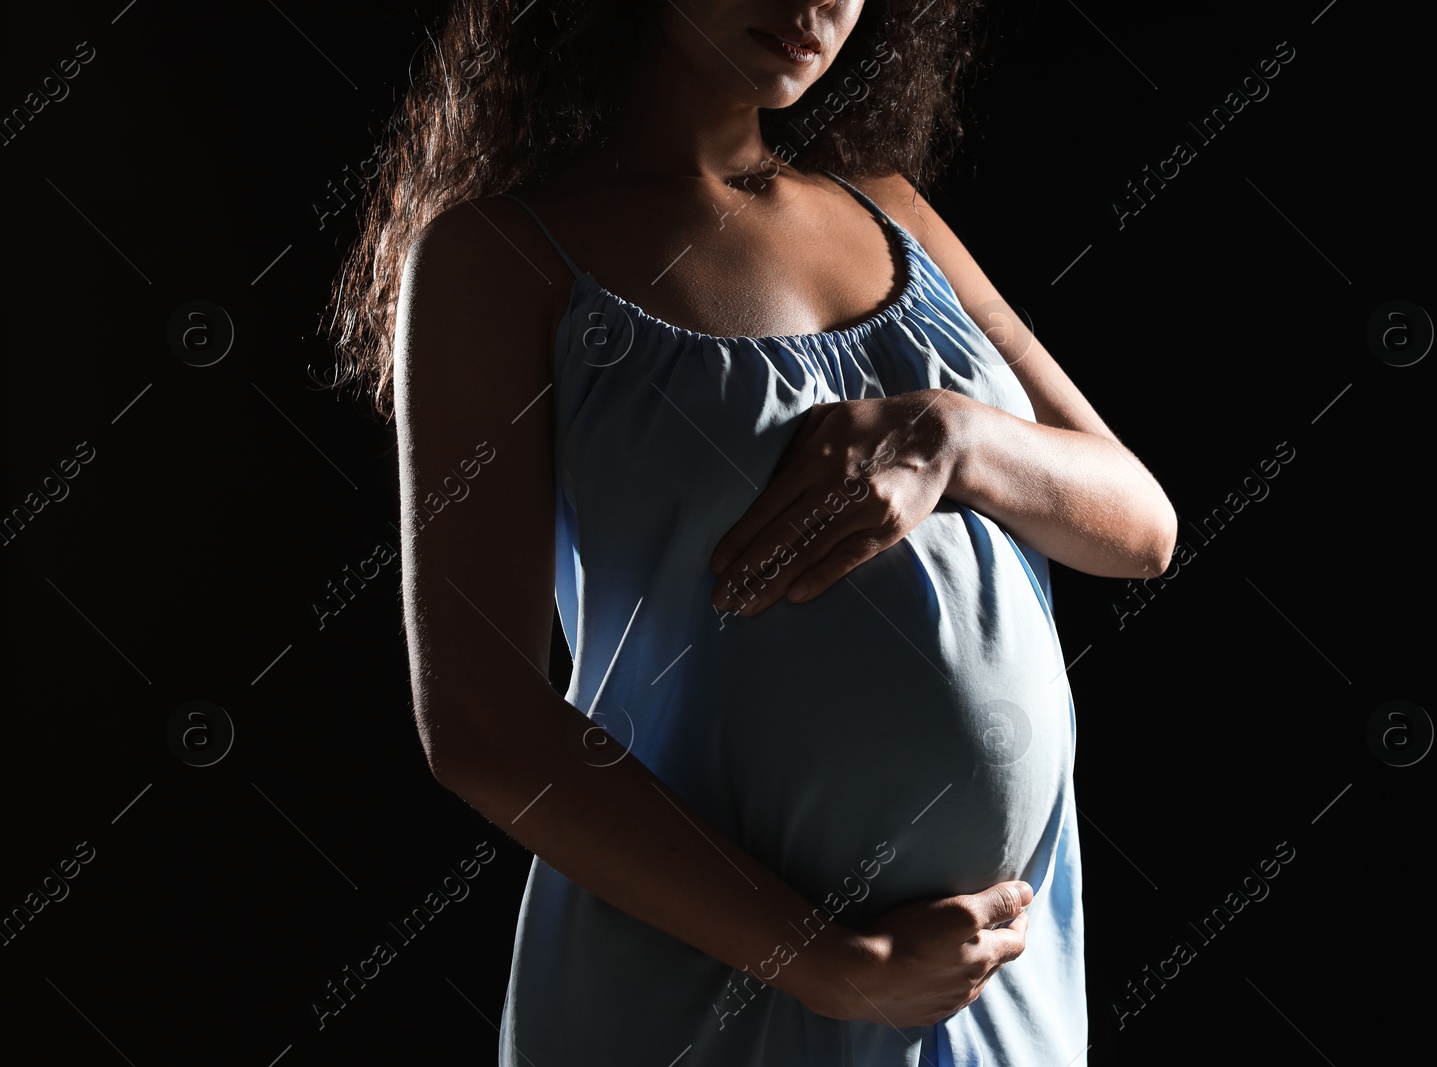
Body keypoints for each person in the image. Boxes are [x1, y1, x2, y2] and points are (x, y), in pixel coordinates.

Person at [323, 1, 1177, 1062]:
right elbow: (481, 721)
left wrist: (952, 436)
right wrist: (831, 965)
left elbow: (1141, 525)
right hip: (710, 990)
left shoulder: (890, 210)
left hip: (983, 986)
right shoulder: (502, 258)